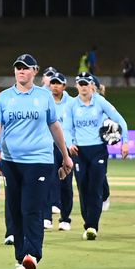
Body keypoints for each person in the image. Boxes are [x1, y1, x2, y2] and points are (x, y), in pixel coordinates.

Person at [0, 54, 73, 269]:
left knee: (31, 208)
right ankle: (21, 256)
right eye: (18, 68)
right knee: (15, 209)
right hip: (12, 161)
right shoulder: (4, 98)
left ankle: (32, 254)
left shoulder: (44, 96)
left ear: (35, 71)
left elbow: (54, 126)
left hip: (40, 160)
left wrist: (65, 155)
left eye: (25, 68)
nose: (21, 71)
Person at [65, 72, 130, 241]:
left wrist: (125, 142)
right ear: (77, 86)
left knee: (95, 187)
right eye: (80, 84)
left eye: (86, 83)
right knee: (83, 188)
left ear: (92, 86)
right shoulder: (72, 105)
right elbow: (66, 128)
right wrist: (69, 142)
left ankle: (92, 226)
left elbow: (120, 120)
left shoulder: (100, 102)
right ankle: (88, 222)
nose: (84, 87)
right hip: (79, 152)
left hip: (98, 150)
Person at [44, 72, 74, 231]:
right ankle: (46, 217)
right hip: (47, 146)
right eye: (52, 83)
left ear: (64, 86)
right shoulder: (45, 100)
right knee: (46, 181)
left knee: (66, 184)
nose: (54, 86)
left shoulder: (71, 103)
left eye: (58, 83)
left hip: (65, 147)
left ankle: (65, 219)